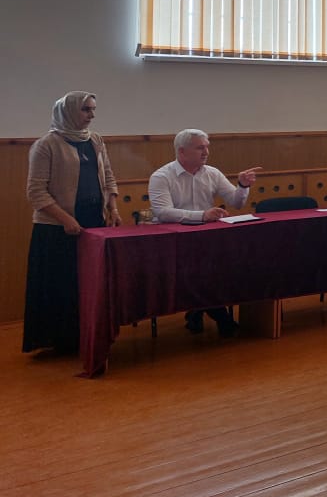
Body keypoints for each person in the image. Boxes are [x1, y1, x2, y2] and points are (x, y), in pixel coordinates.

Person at [24, 92, 122, 354]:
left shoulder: (95, 140)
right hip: (56, 227)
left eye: (93, 109)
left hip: (93, 222)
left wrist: (112, 208)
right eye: (85, 109)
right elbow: (36, 192)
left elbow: (108, 177)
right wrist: (66, 218)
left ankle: (89, 334)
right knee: (62, 284)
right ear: (68, 111)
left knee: (90, 282)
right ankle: (61, 341)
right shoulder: (46, 145)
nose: (92, 115)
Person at [149, 129, 261, 335]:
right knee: (202, 271)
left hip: (206, 238)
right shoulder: (161, 176)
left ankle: (196, 312)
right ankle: (222, 319)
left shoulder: (212, 173)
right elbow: (162, 212)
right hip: (174, 241)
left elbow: (236, 202)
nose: (206, 152)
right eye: (200, 148)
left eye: (207, 147)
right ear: (182, 152)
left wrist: (243, 186)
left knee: (222, 267)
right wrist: (202, 215)